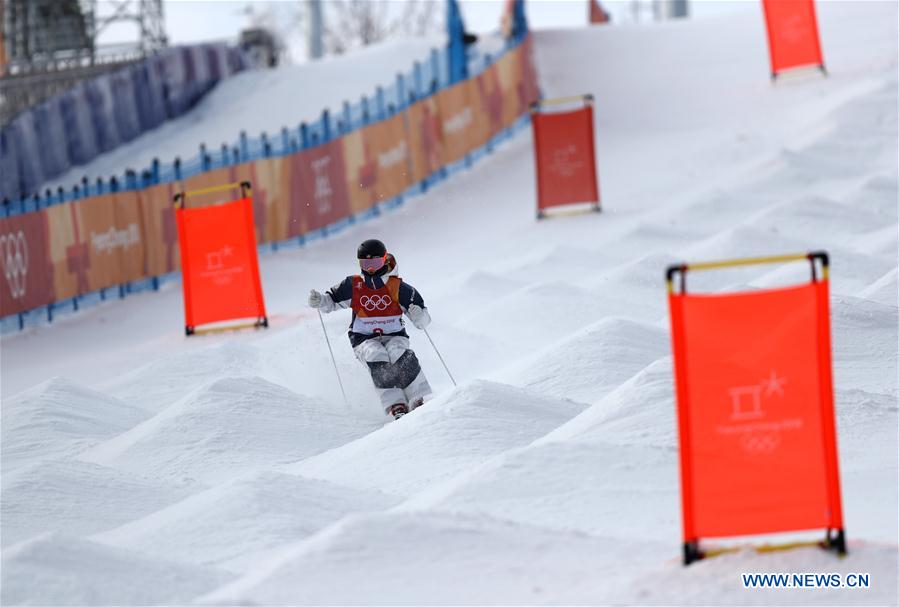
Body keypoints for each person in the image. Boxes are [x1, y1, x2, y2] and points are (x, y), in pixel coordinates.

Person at [309, 239, 432, 420]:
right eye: (365, 264)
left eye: (375, 263)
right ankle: (395, 403)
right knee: (376, 355)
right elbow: (331, 301)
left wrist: (418, 314)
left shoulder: (397, 287)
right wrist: (319, 301)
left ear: (384, 260)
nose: (371, 269)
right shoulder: (354, 285)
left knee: (398, 352)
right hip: (363, 338)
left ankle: (416, 397)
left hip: (394, 335)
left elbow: (423, 322)